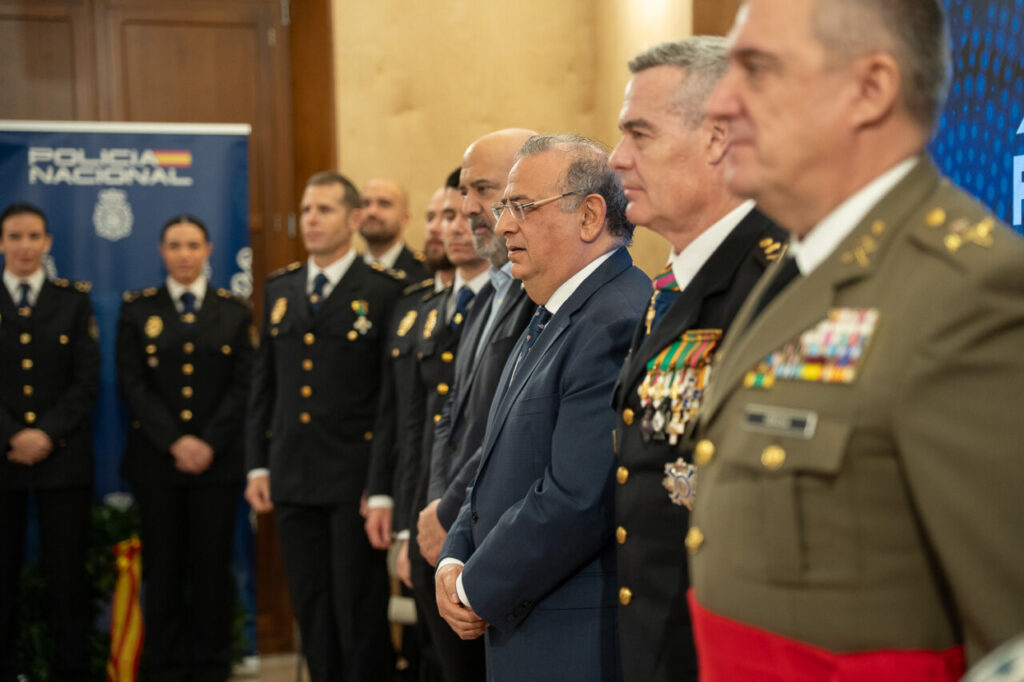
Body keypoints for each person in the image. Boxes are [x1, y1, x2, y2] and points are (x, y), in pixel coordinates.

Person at [687, 0, 1024, 679]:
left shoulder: (963, 294)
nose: (719, 103)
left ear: (870, 90)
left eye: (758, 69)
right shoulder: (802, 264)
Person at [435, 134, 651, 681]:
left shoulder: (616, 319)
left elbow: (577, 498)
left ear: (590, 216)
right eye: (504, 207)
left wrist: (472, 585)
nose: (505, 225)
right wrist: (455, 554)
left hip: (570, 640)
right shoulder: (550, 310)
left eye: (523, 207)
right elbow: (494, 458)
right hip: (524, 622)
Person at [606, 37, 785, 682]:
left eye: (640, 134)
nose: (617, 157)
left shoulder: (777, 283)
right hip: (656, 638)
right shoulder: (673, 286)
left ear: (717, 139)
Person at [245, 171, 403, 681]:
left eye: (324, 209)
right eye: (306, 210)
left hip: (353, 477)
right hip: (293, 473)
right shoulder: (282, 287)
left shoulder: (383, 290)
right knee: (311, 605)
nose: (310, 220)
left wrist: (381, 483)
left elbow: (391, 400)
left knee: (358, 609)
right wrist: (257, 465)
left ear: (354, 219)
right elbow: (264, 385)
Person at [117, 214, 252, 681]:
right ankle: (165, 666)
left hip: (217, 463)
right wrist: (175, 441)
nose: (184, 254)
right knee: (164, 568)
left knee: (213, 567)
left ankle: (212, 664)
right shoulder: (138, 310)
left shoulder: (233, 311)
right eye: (174, 245)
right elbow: (133, 384)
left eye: (193, 245)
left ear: (208, 250)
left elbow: (243, 385)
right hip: (157, 463)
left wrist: (207, 442)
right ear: (162, 252)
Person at [415, 129, 537, 572]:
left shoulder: (538, 297)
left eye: (482, 190)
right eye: (465, 192)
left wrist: (448, 511)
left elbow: (508, 427)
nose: (467, 208)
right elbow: (450, 413)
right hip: (454, 521)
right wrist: (436, 504)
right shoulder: (486, 296)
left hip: (497, 531)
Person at [396, 168, 490, 682]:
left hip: (475, 512)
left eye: (458, 214)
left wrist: (447, 512)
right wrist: (418, 520)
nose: (451, 227)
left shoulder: (507, 302)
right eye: (441, 217)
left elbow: (493, 429)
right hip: (431, 506)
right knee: (436, 661)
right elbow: (425, 426)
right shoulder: (438, 309)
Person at [0, 202, 99, 682]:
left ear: (48, 242)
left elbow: (86, 381)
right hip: (2, 460)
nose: (25, 246)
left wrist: (45, 433)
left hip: (63, 459)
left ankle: (70, 670)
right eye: (15, 237)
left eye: (33, 237)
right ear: (2, 243)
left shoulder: (73, 302)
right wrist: (12, 435)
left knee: (67, 579)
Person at [360, 177, 429, 281]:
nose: (372, 212)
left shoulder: (425, 272)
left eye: (384, 204)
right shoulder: (347, 271)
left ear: (404, 218)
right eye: (365, 204)